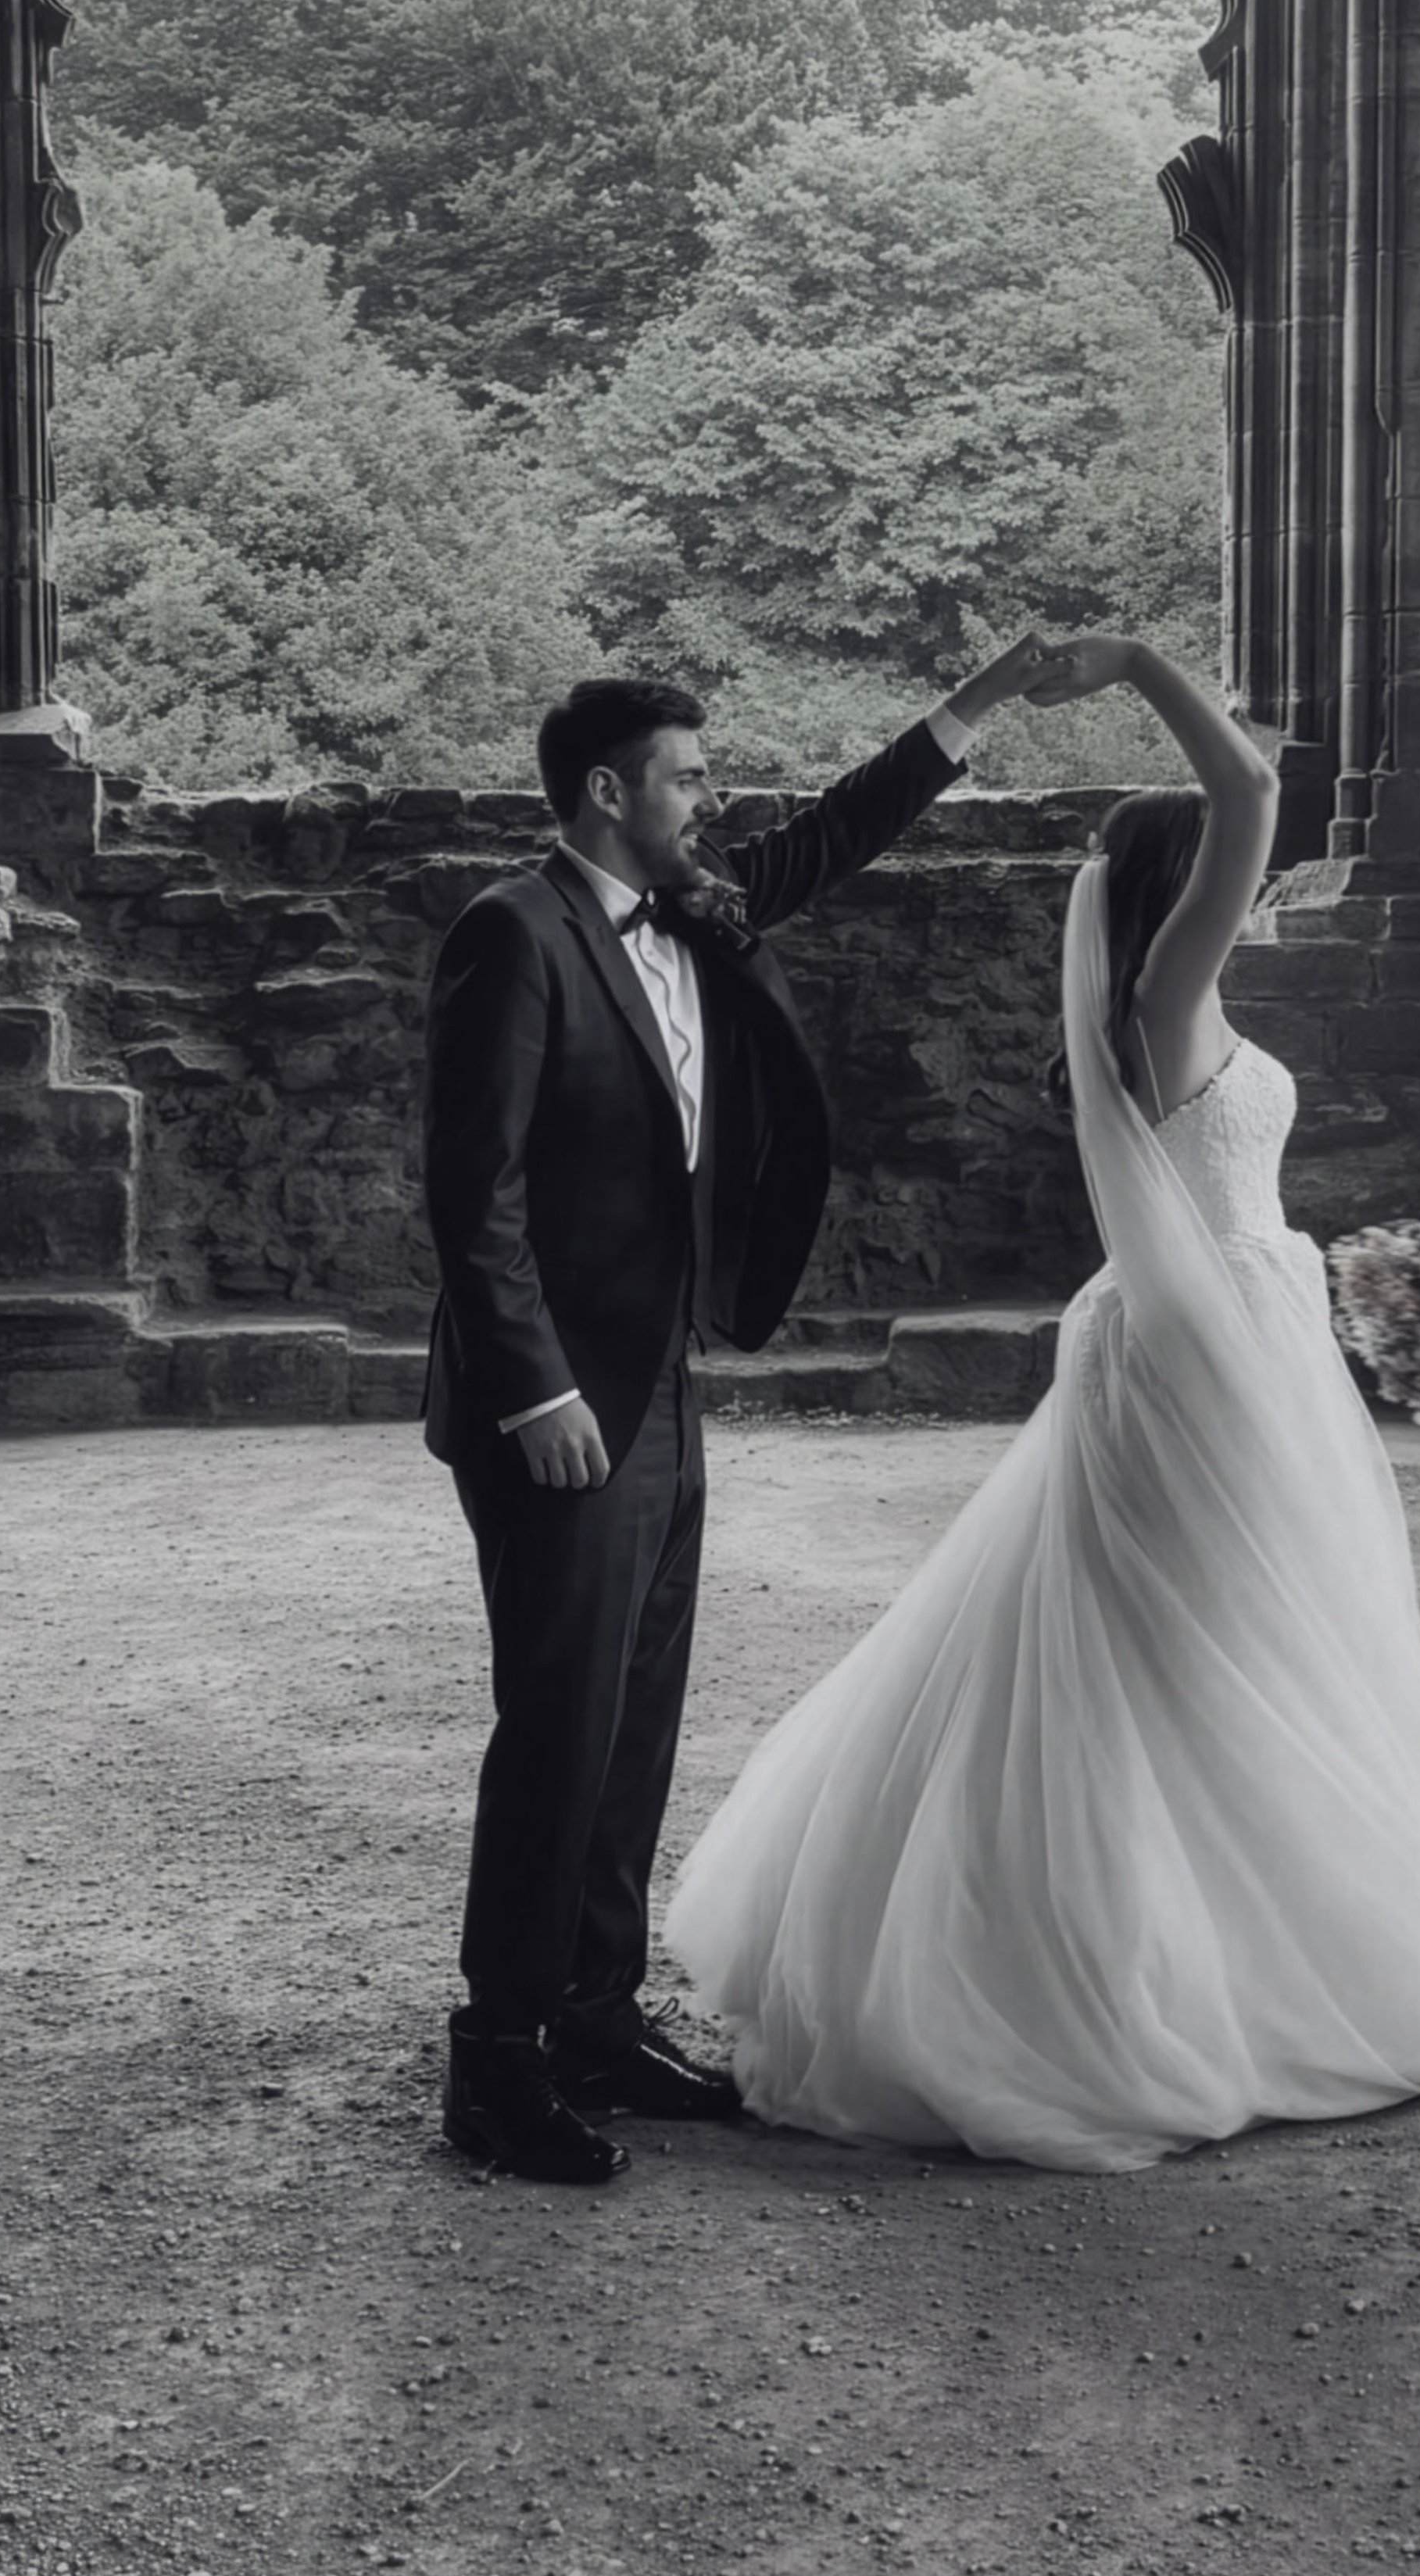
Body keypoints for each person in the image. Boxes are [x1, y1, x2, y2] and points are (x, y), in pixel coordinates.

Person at [664, 635, 1420, 2171]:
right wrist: (1138, 664)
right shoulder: (1168, 993)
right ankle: (1145, 1972)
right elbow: (1241, 782)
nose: (1256, 877)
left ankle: (1215, 1928)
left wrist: (1351, 1272)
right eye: (1233, 872)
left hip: (1229, 1318)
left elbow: (1219, 1188)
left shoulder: (1161, 1019)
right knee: (1212, 1635)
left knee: (1218, 1634)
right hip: (1211, 1352)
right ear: (1184, 889)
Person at [423, 637, 1058, 2183]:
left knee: (634, 1716)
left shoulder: (694, 909)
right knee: (558, 1727)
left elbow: (828, 835)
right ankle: (494, 2060)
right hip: (561, 1401)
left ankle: (592, 2015)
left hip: (663, 1380)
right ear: (604, 789)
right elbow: (471, 1191)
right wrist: (537, 1392)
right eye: (687, 780)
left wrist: (967, 707)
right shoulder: (511, 936)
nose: (710, 805)